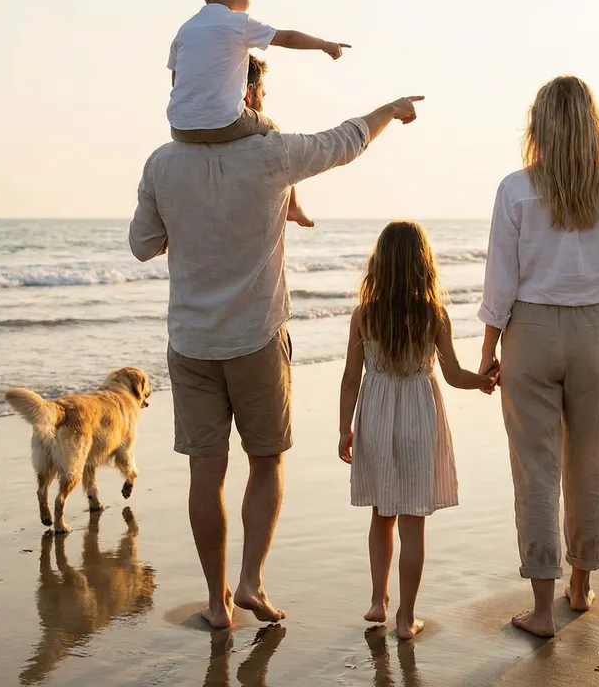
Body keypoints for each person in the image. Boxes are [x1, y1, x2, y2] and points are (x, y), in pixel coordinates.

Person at [129, 75, 424, 630]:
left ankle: (217, 605)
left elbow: (143, 246)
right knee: (265, 461)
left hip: (191, 342)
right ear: (250, 96)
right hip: (257, 338)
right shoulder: (273, 155)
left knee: (205, 472)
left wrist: (194, 223)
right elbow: (348, 139)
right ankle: (250, 582)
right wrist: (390, 108)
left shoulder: (162, 164)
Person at [477, 75, 599, 638]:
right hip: (596, 331)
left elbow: (499, 282)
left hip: (530, 330)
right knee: (588, 463)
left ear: (539, 126)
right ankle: (579, 585)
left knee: (537, 470)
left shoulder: (515, 189)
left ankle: (543, 611)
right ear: (592, 127)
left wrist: (486, 350)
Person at [339, 221, 497, 640]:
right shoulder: (433, 315)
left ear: (380, 264)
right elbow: (453, 374)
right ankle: (406, 618)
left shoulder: (364, 315)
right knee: (413, 524)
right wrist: (482, 381)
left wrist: (344, 429)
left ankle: (378, 598)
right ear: (423, 265)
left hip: (374, 418)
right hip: (419, 420)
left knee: (381, 514)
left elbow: (351, 378)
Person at [167, 0, 350, 227]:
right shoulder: (238, 23)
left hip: (180, 129)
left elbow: (176, 80)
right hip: (224, 124)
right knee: (272, 130)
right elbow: (287, 37)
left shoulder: (185, 29)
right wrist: (325, 45)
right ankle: (293, 206)